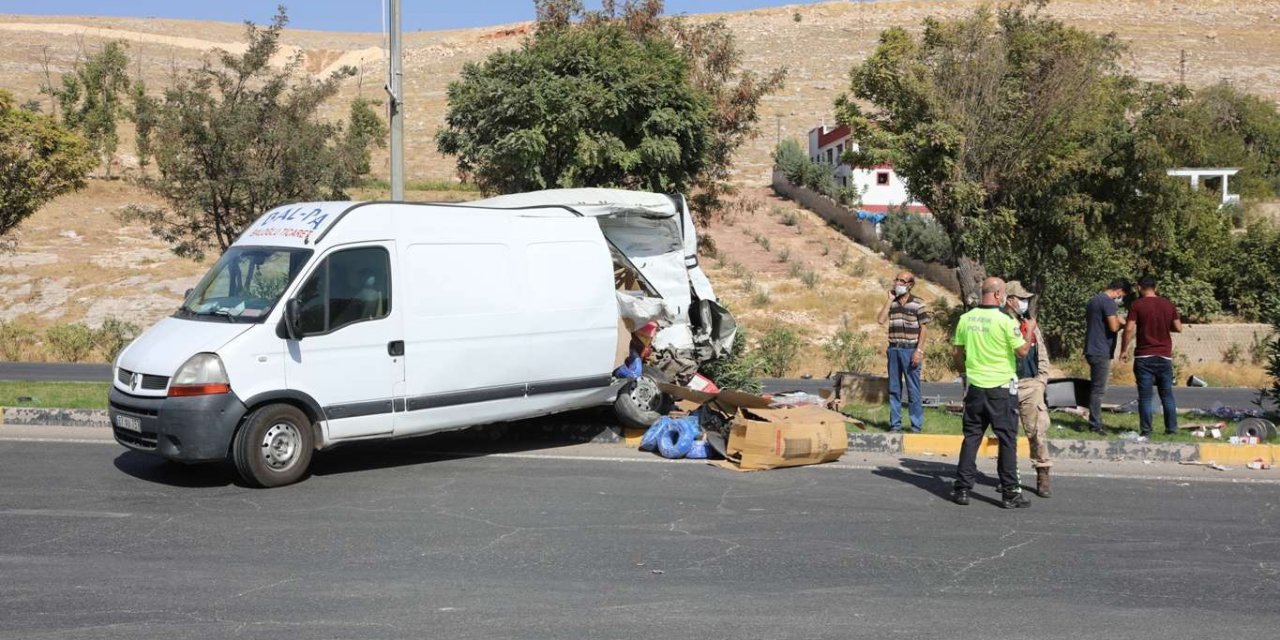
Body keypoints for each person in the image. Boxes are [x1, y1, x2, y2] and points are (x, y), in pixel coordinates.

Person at [951, 277, 1032, 509]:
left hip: (976, 387)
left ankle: (962, 489)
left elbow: (957, 352)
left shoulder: (966, 319)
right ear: (998, 295)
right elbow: (1022, 352)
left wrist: (964, 373)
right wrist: (1030, 331)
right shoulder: (1005, 321)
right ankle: (1010, 493)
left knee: (972, 438)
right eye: (1004, 293)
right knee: (1007, 439)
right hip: (1001, 389)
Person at [1003, 281, 1053, 498]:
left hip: (1031, 384)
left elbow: (1041, 354)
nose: (1024, 303)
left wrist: (1041, 380)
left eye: (1026, 299)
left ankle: (1043, 472)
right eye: (1021, 298)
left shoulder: (1030, 324)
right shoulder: (1002, 323)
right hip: (1006, 384)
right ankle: (1009, 478)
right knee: (1007, 434)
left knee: (1037, 431)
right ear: (1009, 299)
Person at [1120, 275, 1183, 440]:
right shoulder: (1168, 304)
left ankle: (1147, 430)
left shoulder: (1137, 305)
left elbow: (1128, 329)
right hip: (1164, 356)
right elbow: (1178, 327)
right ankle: (1172, 429)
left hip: (1144, 356)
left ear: (1139, 287)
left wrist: (1123, 350)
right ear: (1156, 287)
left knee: (1145, 396)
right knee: (1167, 394)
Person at [876, 271, 932, 433]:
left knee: (913, 389)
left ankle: (916, 426)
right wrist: (889, 300)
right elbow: (880, 320)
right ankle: (895, 424)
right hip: (894, 349)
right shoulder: (892, 303)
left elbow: (924, 329)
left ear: (910, 285)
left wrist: (919, 351)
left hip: (910, 350)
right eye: (897, 280)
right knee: (894, 388)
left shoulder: (918, 304)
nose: (898, 283)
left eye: (902, 281)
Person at [1083, 279, 1129, 434]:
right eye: (1122, 295)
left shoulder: (1094, 300)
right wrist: (1122, 322)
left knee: (1095, 388)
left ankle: (1094, 420)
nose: (1120, 298)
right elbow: (1113, 326)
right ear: (1119, 291)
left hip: (1091, 348)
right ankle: (1095, 425)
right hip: (1100, 350)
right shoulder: (1108, 303)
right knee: (1098, 390)